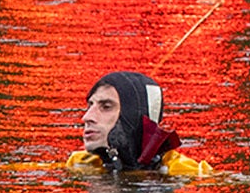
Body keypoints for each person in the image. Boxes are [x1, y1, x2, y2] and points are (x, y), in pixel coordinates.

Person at [65, 71, 217, 178]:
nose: (87, 117)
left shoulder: (187, 172)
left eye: (106, 107)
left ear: (131, 116)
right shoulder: (80, 163)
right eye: (90, 105)